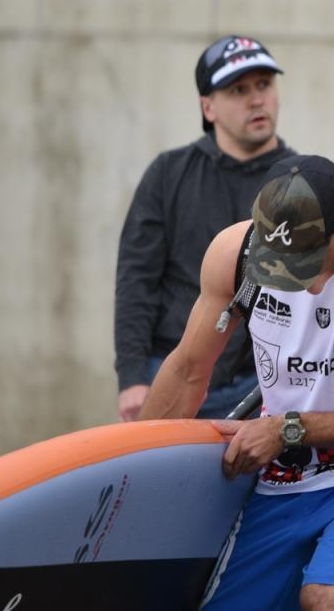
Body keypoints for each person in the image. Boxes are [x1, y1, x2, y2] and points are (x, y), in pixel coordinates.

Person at [139, 155, 334, 611]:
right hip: (286, 469)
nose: (293, 278)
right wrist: (135, 472)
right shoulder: (233, 253)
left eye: (305, 260)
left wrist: (289, 429)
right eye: (277, 262)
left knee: (327, 604)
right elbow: (187, 370)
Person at [115, 35, 296, 421]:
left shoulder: (302, 182)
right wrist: (132, 376)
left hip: (264, 386)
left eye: (264, 85)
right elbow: (136, 280)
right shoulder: (168, 174)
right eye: (238, 90)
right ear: (208, 107)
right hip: (171, 373)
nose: (256, 99)